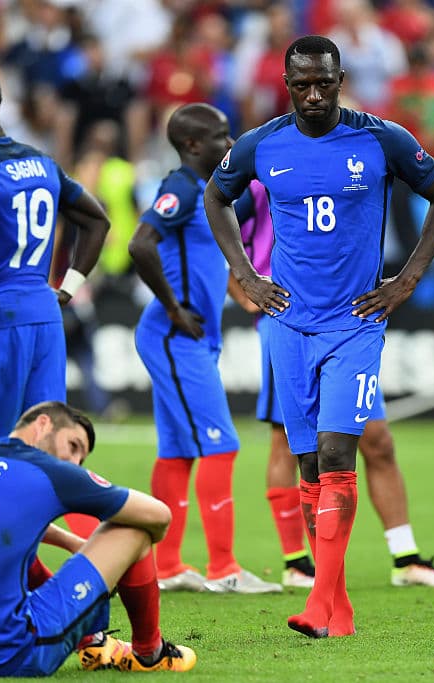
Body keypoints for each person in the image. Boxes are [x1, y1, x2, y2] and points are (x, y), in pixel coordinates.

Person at [205, 35, 434, 638]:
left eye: (324, 82)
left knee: (341, 452)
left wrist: (409, 278)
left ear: (341, 78)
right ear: (287, 84)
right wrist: (244, 275)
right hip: (288, 323)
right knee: (308, 463)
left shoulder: (380, 138)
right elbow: (216, 197)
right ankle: (336, 605)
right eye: (301, 85)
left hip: (356, 323)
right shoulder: (263, 144)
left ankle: (319, 604)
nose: (313, 94)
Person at [233, 178, 434, 589]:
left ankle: (406, 558)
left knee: (377, 440)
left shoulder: (351, 170)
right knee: (287, 443)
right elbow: (216, 224)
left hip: (345, 323)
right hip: (288, 323)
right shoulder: (263, 175)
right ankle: (296, 560)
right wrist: (246, 289)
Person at [0, 401, 196, 676]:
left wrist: (73, 543)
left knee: (12, 548)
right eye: (73, 446)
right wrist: (122, 559)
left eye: (80, 458)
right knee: (134, 529)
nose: (73, 462)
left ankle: (91, 642)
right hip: (13, 654)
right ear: (43, 423)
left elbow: (1, 524)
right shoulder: (49, 471)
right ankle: (149, 654)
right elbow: (159, 515)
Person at [129, 103, 281, 595]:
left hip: (190, 336)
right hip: (175, 336)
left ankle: (167, 565)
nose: (229, 141)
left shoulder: (207, 192)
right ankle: (224, 568)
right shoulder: (179, 187)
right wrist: (173, 308)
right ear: (193, 145)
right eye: (220, 135)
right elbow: (140, 244)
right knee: (221, 445)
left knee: (177, 451)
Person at [0, 66, 109, 463]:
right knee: (43, 450)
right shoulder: (42, 162)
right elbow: (97, 220)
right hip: (45, 316)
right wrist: (69, 286)